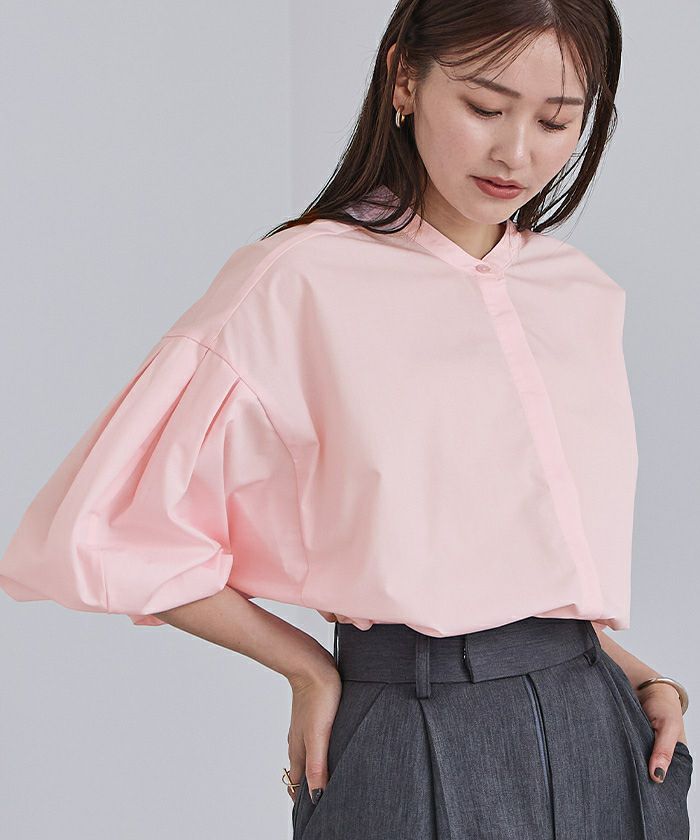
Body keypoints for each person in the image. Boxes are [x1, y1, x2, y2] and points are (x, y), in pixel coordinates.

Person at [0, 1, 693, 837]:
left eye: (555, 121)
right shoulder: (299, 280)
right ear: (405, 79)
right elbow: (114, 526)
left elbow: (521, 570)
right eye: (485, 107)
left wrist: (641, 676)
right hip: (411, 732)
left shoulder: (579, 294)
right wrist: (306, 668)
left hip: (601, 731)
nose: (516, 153)